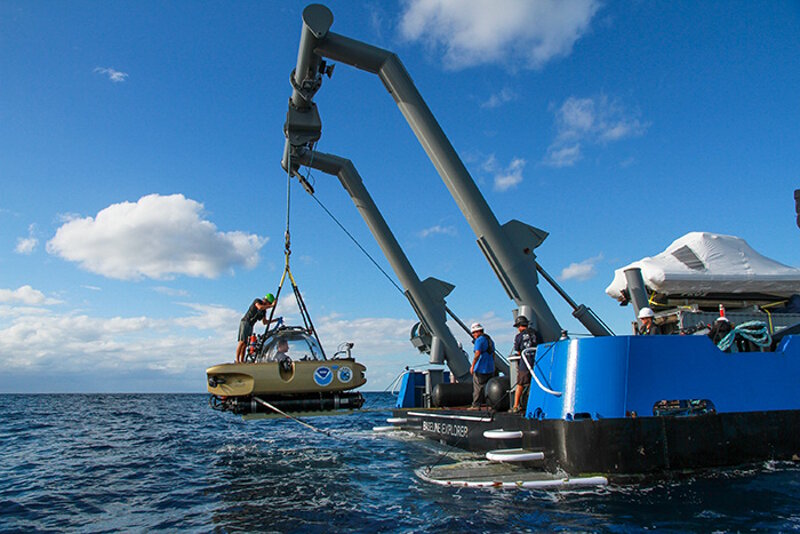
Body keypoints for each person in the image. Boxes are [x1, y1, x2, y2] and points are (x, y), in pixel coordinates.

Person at [510, 315, 541, 414]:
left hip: (525, 363)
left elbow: (518, 351)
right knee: (535, 383)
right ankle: (535, 404)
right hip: (536, 363)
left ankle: (515, 406)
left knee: (520, 384)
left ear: (519, 326)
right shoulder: (536, 333)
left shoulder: (519, 336)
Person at [235, 294, 277, 363]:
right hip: (245, 322)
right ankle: (237, 360)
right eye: (268, 303)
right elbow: (259, 307)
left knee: (245, 344)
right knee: (242, 341)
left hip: (251, 325)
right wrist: (271, 306)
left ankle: (242, 361)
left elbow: (265, 322)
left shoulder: (264, 311)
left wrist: (275, 320)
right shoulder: (257, 301)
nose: (267, 305)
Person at [468, 322, 495, 410]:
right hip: (490, 368)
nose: (473, 335)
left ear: (477, 332)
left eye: (473, 333)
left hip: (481, 368)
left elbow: (477, 353)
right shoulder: (489, 339)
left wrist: (472, 365)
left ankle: (476, 405)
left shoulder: (479, 340)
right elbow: (493, 354)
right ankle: (490, 404)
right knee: (488, 387)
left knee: (478, 388)